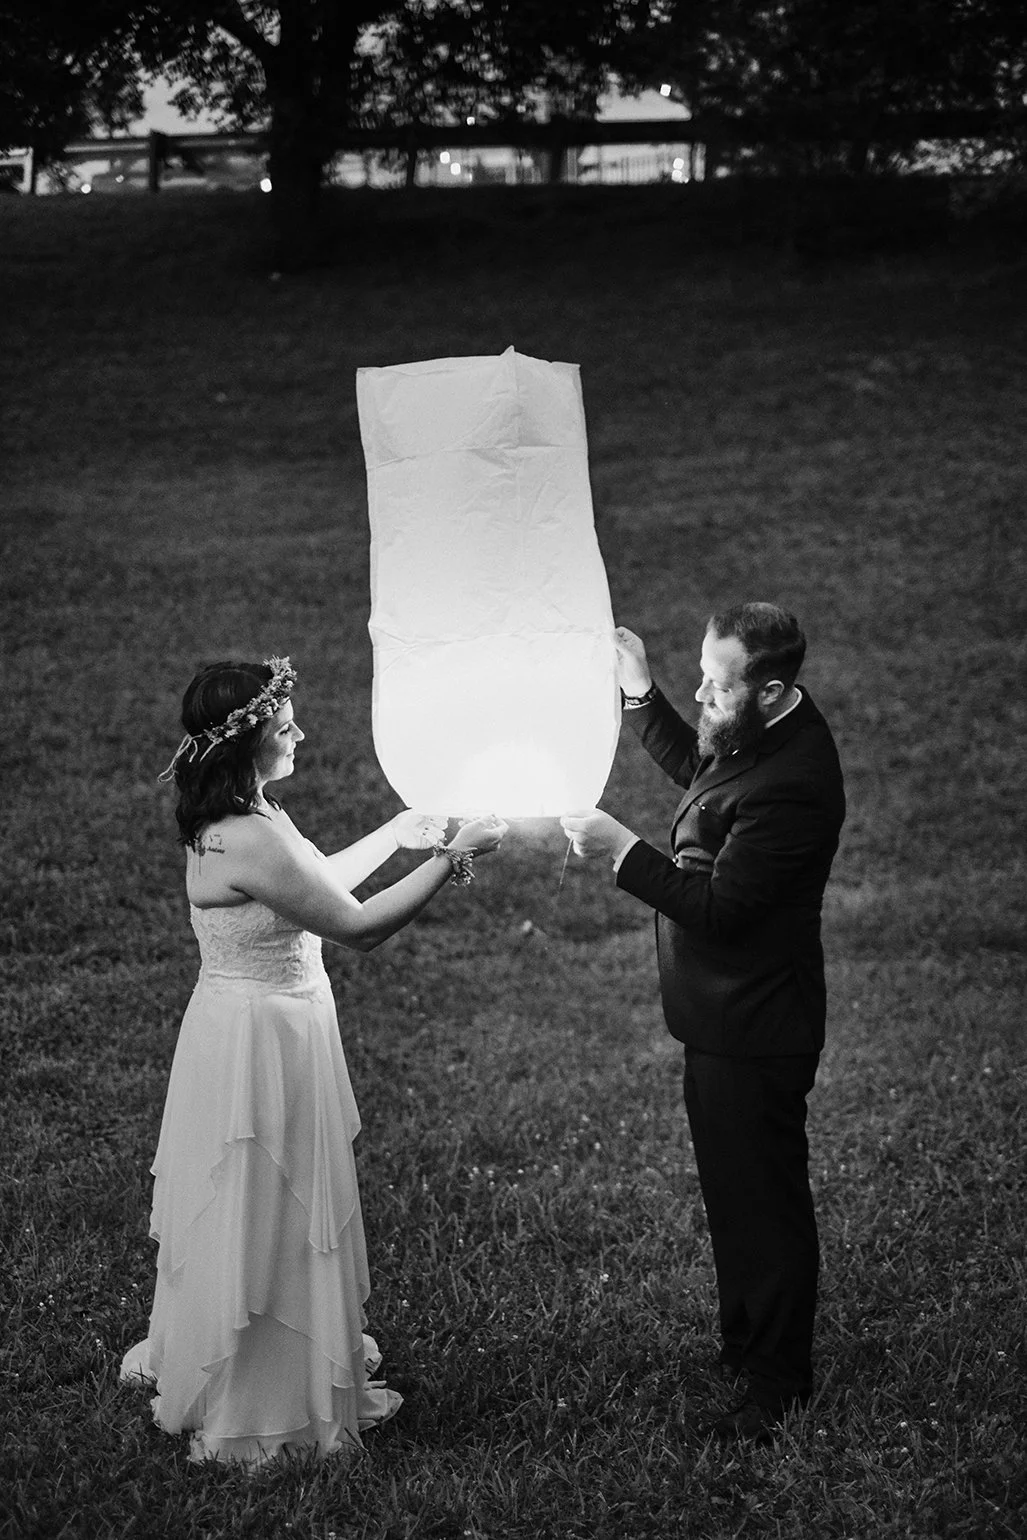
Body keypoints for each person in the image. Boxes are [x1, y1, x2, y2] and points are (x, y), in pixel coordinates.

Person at [120, 655, 506, 1466]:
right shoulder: (247, 834)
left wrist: (397, 835)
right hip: (259, 1042)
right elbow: (356, 927)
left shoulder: (247, 812)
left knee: (273, 1198)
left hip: (264, 1023)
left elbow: (314, 887)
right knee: (265, 1195)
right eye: (284, 724)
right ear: (246, 741)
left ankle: (260, 1341)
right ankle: (263, 1386)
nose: (298, 731)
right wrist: (454, 856)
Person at [561, 603, 845, 1445]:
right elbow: (703, 773)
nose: (702, 693)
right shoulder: (755, 732)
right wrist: (642, 693)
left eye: (716, 686)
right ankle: (743, 1343)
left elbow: (719, 909)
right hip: (719, 1020)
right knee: (732, 1197)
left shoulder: (794, 783)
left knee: (764, 1206)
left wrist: (621, 849)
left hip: (757, 1026)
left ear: (771, 689)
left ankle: (775, 1385)